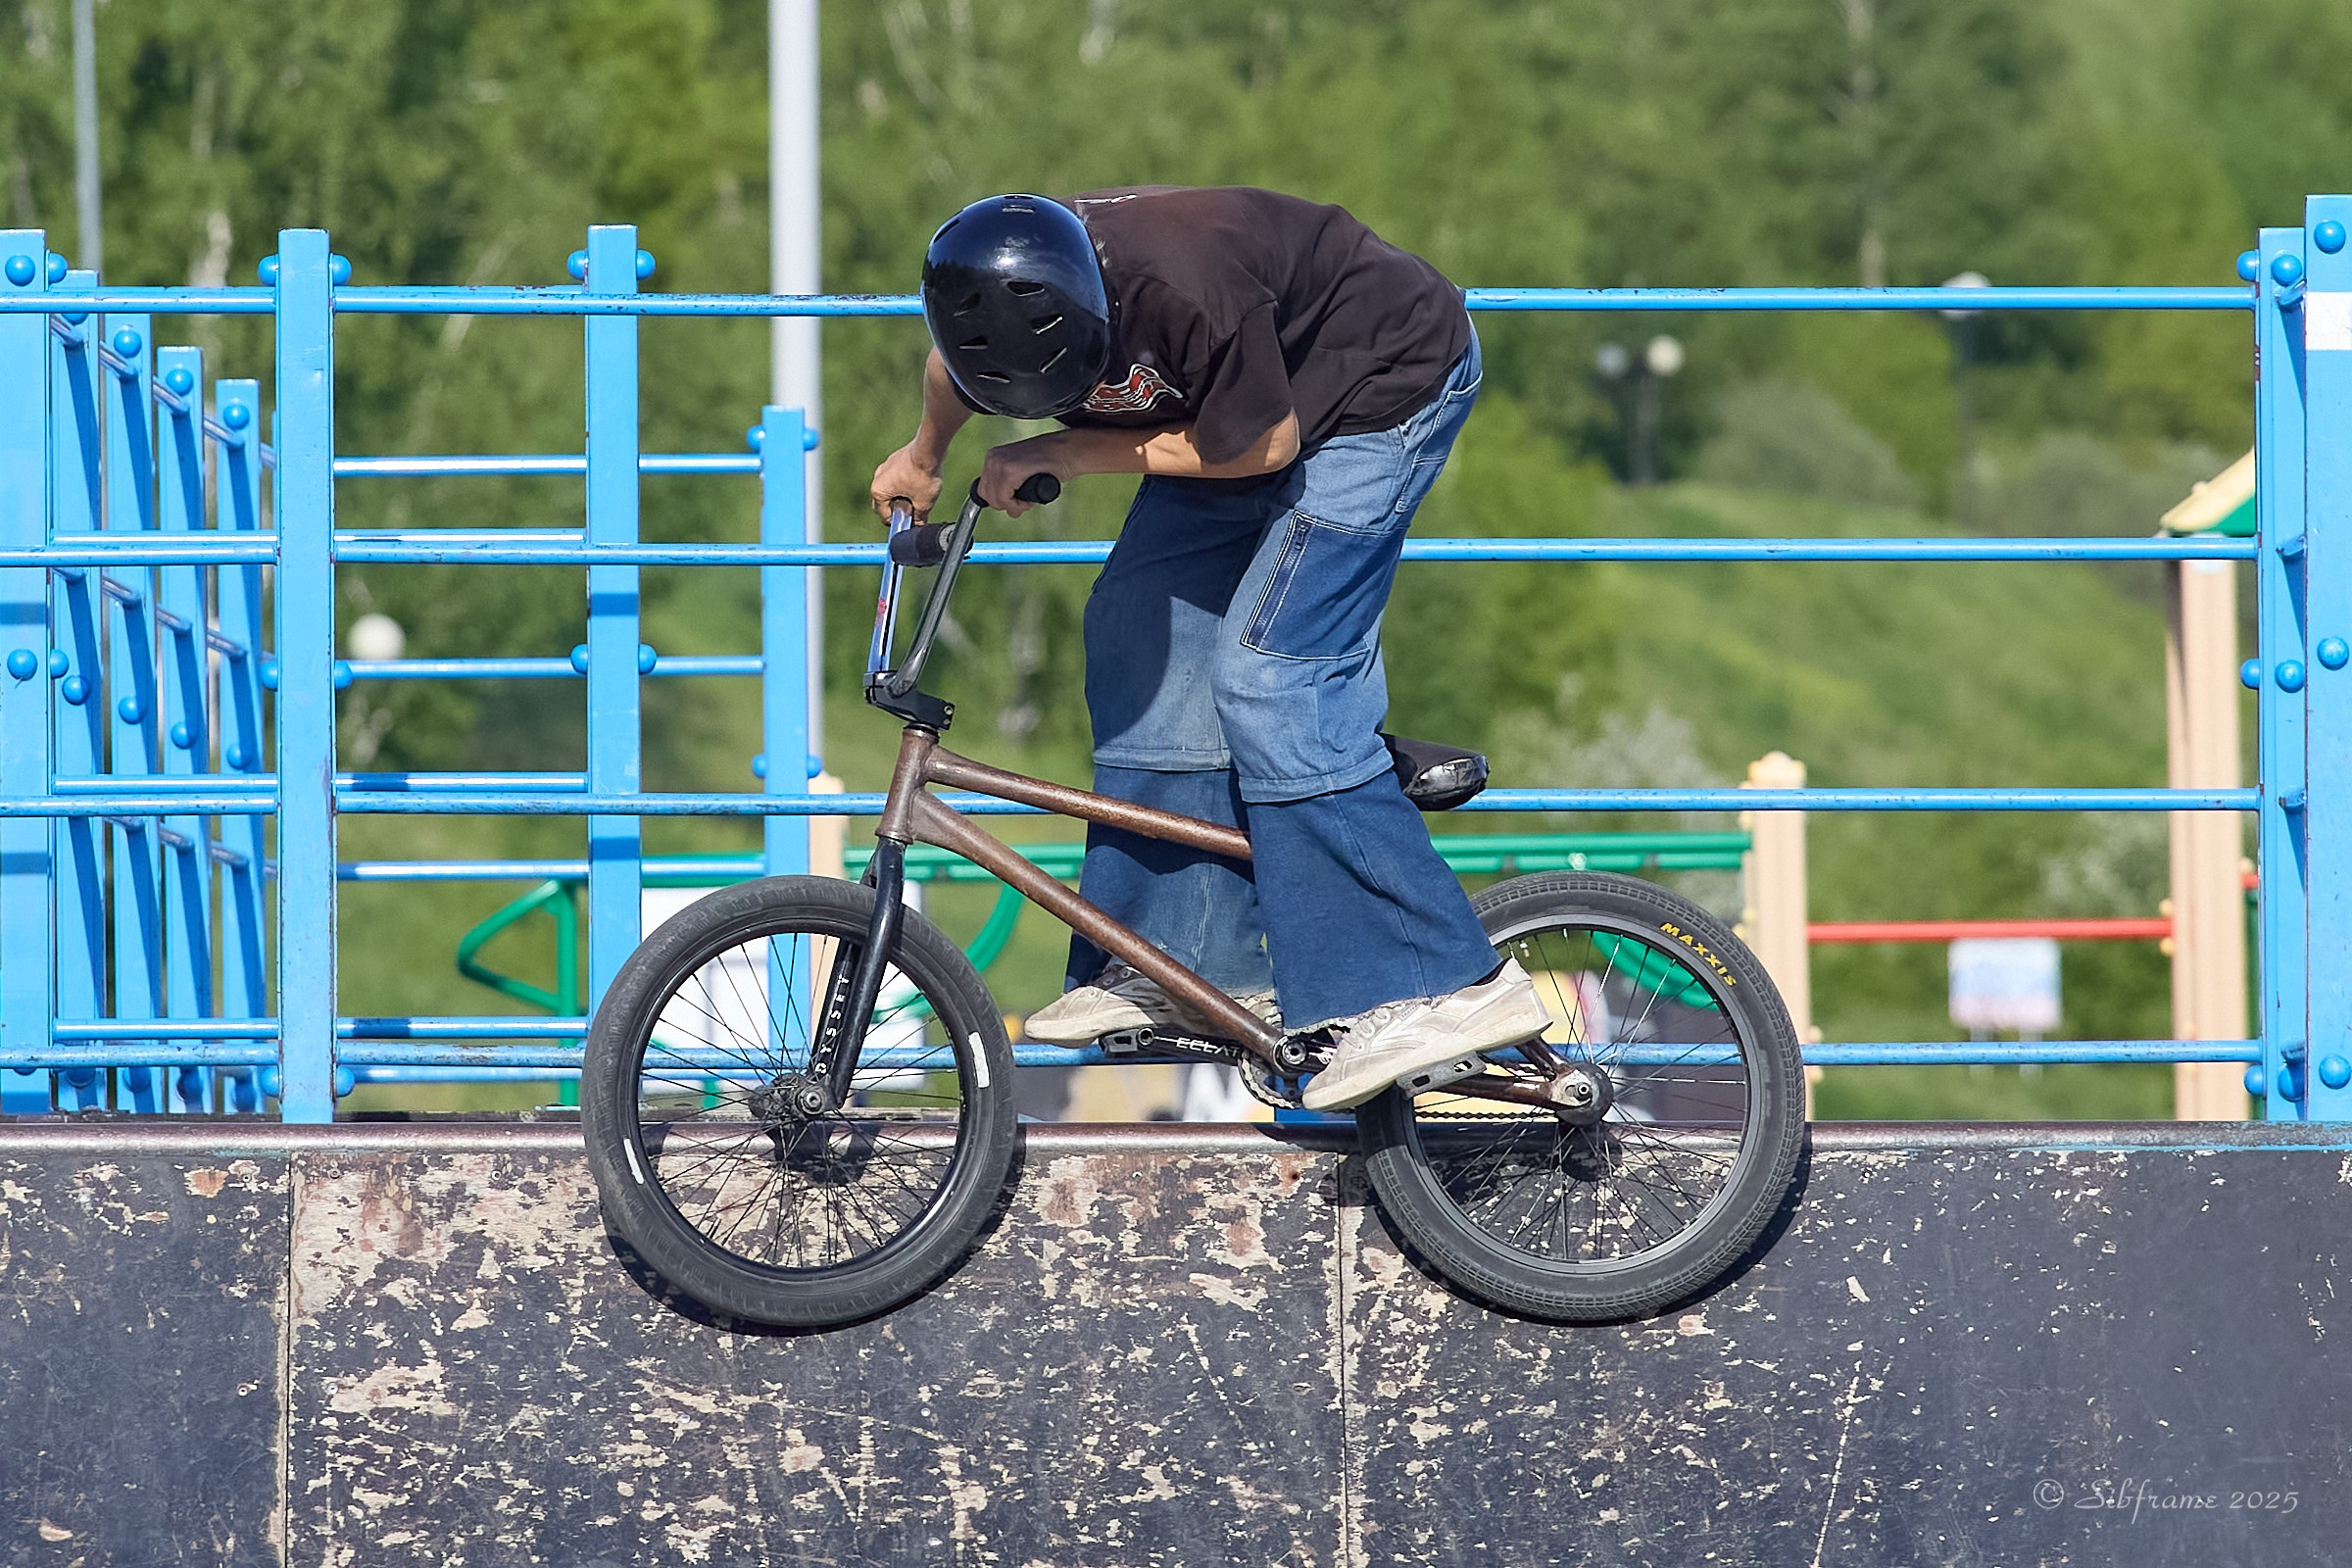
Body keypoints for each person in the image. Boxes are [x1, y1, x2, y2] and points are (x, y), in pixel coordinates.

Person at [869, 187, 1547, 1111]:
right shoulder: (998, 288)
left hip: (1378, 387)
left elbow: (1264, 445)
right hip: (1231, 404)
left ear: (1094, 317)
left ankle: (1440, 986)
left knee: (1273, 678)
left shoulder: (1185, 287)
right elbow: (954, 373)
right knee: (1134, 624)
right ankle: (1186, 958)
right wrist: (924, 455)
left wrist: (1069, 452)